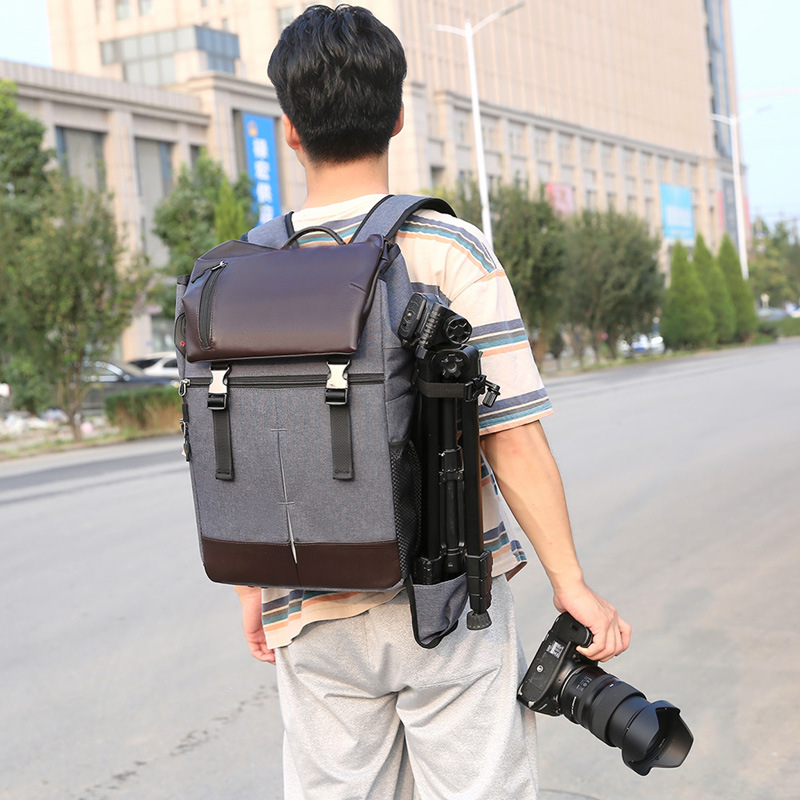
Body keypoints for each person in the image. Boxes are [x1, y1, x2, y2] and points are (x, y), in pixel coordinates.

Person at [234, 6, 631, 799]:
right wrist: (571, 583)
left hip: (305, 598)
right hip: (447, 598)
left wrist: (255, 588)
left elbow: (244, 446)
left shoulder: (245, 271)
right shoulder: (447, 249)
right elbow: (510, 435)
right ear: (398, 118)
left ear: (289, 131)